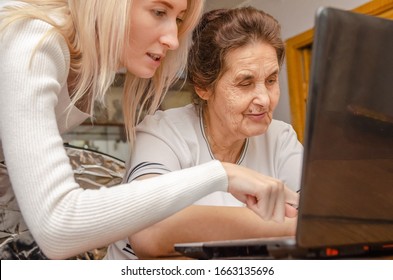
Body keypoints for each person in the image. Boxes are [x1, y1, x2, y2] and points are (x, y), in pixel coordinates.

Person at [0, 0, 298, 260]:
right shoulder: (33, 40)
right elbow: (58, 227)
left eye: (179, 19)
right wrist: (223, 174)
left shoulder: (82, 73)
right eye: (158, 11)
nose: (174, 40)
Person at [105, 6, 303, 259]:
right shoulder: (162, 133)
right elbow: (149, 230)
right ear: (203, 87)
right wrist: (292, 227)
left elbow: (329, 220)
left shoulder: (281, 137)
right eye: (245, 83)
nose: (264, 99)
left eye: (271, 80)